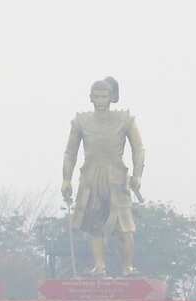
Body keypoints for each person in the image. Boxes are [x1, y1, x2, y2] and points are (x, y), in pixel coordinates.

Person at [61, 76, 145, 276]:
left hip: (117, 177)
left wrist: (138, 175)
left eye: (104, 96)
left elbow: (138, 149)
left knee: (125, 227)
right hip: (91, 178)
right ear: (91, 97)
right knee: (94, 225)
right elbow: (70, 153)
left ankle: (128, 267)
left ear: (112, 97)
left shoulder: (124, 120)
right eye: (96, 96)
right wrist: (66, 178)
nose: (100, 100)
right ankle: (99, 266)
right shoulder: (81, 121)